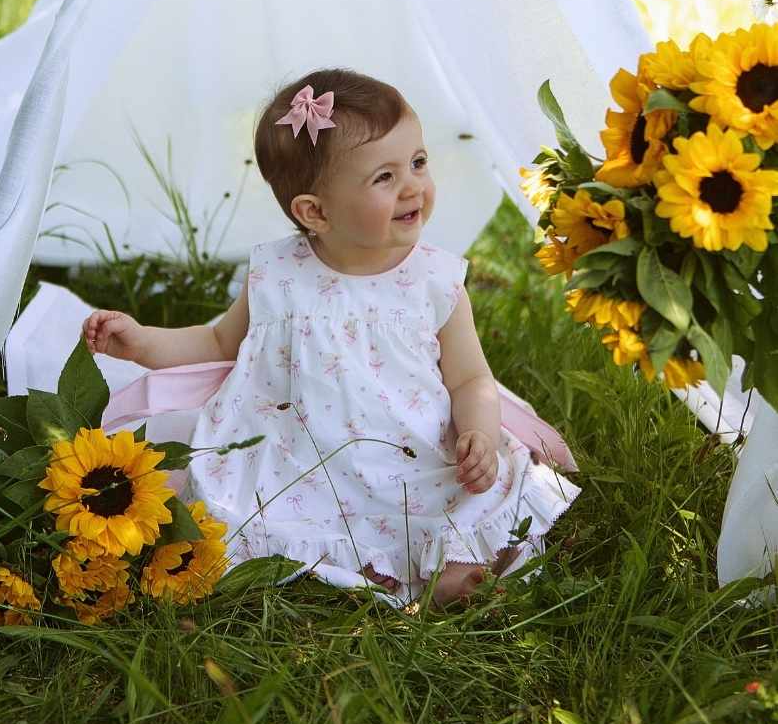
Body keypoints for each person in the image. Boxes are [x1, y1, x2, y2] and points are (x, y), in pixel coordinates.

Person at [83, 68, 581, 607]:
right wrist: (142, 344)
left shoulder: (433, 281)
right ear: (314, 212)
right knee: (252, 510)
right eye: (384, 178)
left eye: (417, 162)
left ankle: (456, 567)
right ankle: (371, 564)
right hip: (300, 452)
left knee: (463, 495)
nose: (414, 185)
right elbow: (217, 345)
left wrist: (480, 434)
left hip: (410, 448)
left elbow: (471, 378)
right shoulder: (276, 273)